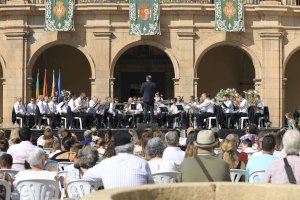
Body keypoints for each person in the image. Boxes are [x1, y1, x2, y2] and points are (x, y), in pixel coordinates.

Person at [83, 131, 154, 189]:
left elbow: (86, 176)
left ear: (115, 148)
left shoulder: (105, 164)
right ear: (132, 146)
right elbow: (151, 187)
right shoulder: (142, 163)